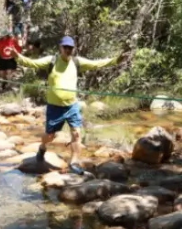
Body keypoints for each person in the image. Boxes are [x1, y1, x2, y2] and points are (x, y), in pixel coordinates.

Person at [16, 35, 126, 175]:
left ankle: (73, 163)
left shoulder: (77, 61)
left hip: (72, 106)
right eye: (65, 47)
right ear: (60, 48)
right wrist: (17, 56)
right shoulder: (51, 61)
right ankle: (42, 148)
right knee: (50, 136)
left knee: (76, 133)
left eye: (70, 48)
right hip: (54, 107)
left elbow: (97, 63)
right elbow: (31, 63)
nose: (68, 50)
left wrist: (117, 60)